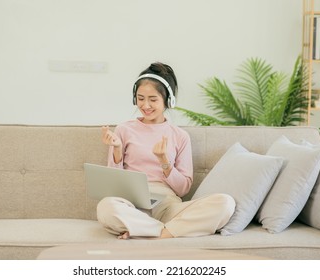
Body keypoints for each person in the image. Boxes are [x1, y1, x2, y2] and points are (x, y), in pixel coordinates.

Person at [97, 62, 235, 239]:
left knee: (225, 203)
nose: (145, 105)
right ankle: (166, 231)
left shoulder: (180, 136)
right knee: (106, 207)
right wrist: (116, 149)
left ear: (168, 100)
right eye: (140, 98)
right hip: (130, 205)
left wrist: (165, 162)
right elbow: (113, 184)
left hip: (167, 207)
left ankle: (145, 231)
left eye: (153, 99)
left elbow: (183, 189)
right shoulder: (124, 130)